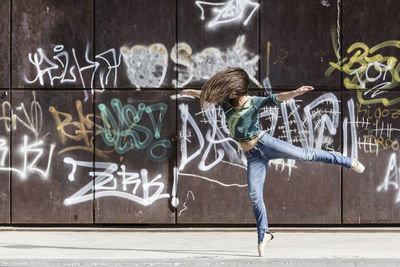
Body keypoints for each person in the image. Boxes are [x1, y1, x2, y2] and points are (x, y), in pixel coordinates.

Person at [180, 67, 365, 257]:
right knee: (254, 194)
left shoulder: (253, 102)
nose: (231, 95)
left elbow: (277, 98)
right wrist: (189, 92)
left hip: (265, 143)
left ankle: (348, 162)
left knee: (305, 155)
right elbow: (207, 95)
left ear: (240, 92)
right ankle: (264, 233)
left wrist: (296, 92)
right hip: (252, 156)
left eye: (234, 93)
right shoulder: (225, 103)